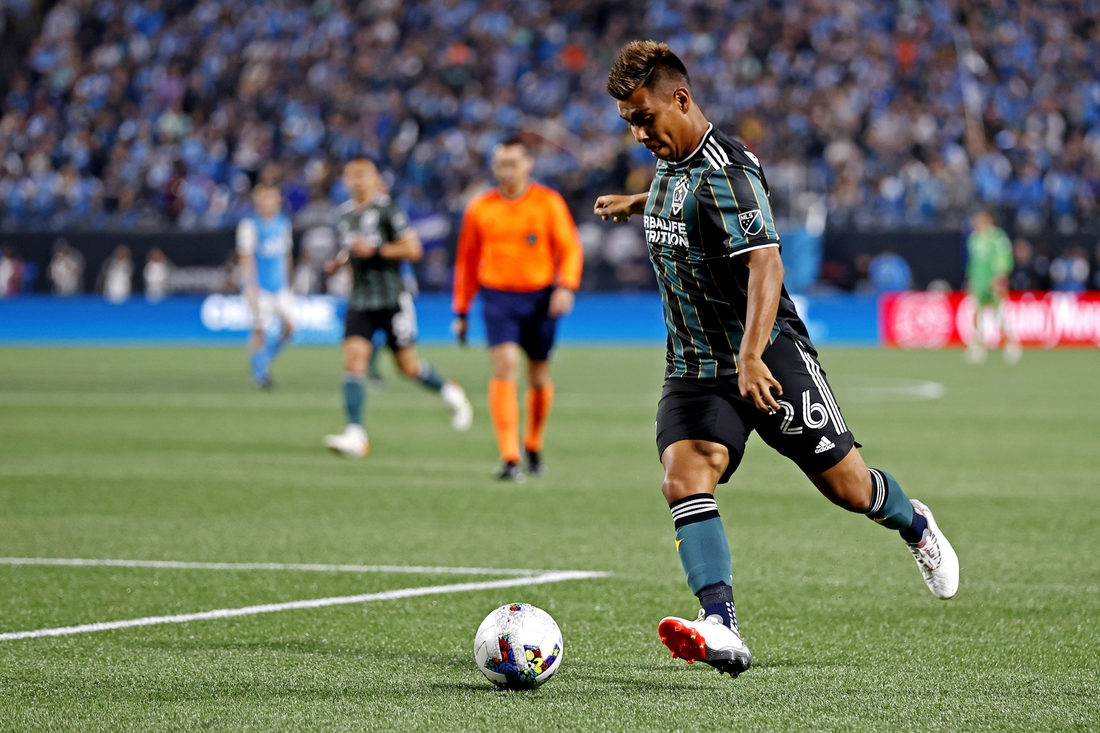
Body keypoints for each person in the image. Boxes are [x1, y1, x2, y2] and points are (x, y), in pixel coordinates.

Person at [593, 41, 959, 680]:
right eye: (628, 120)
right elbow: (681, 204)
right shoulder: (669, 166)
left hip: (768, 357)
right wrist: (637, 204)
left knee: (849, 488)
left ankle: (913, 520)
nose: (637, 131)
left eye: (644, 116)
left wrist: (753, 355)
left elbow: (766, 262)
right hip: (694, 367)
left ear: (681, 99)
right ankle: (720, 624)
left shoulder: (728, 171)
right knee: (685, 474)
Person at [452, 137, 584, 481]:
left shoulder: (547, 203)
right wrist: (461, 310)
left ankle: (533, 443)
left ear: (528, 165)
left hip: (540, 298)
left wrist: (566, 286)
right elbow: (466, 262)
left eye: (513, 163)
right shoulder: (480, 208)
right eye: (500, 164)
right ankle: (509, 457)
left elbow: (569, 248)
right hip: (497, 298)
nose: (506, 171)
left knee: (538, 376)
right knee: (505, 367)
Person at [322, 158, 472, 458]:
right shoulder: (343, 215)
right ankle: (356, 434)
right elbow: (351, 248)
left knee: (407, 367)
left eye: (364, 174)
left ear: (376, 179)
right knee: (354, 360)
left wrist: (377, 250)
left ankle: (449, 390)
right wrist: (339, 262)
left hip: (392, 299)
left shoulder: (387, 210)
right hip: (361, 299)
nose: (358, 180)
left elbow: (413, 248)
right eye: (352, 175)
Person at [236, 184, 295, 388]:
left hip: (280, 287)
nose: (271, 203)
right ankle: (260, 374)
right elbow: (246, 257)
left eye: (273, 198)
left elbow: (286, 255)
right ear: (258, 202)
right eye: (266, 199)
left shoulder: (283, 223)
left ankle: (264, 359)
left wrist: (289, 283)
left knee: (290, 327)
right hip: (259, 287)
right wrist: (250, 286)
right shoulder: (249, 225)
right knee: (259, 330)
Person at [965, 210, 1021, 364]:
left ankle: (1011, 343)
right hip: (979, 280)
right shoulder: (973, 238)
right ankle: (978, 344)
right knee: (976, 311)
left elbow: (1005, 257)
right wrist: (970, 278)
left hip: (994, 280)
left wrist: (1000, 276)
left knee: (999, 312)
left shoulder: (998, 237)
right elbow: (973, 261)